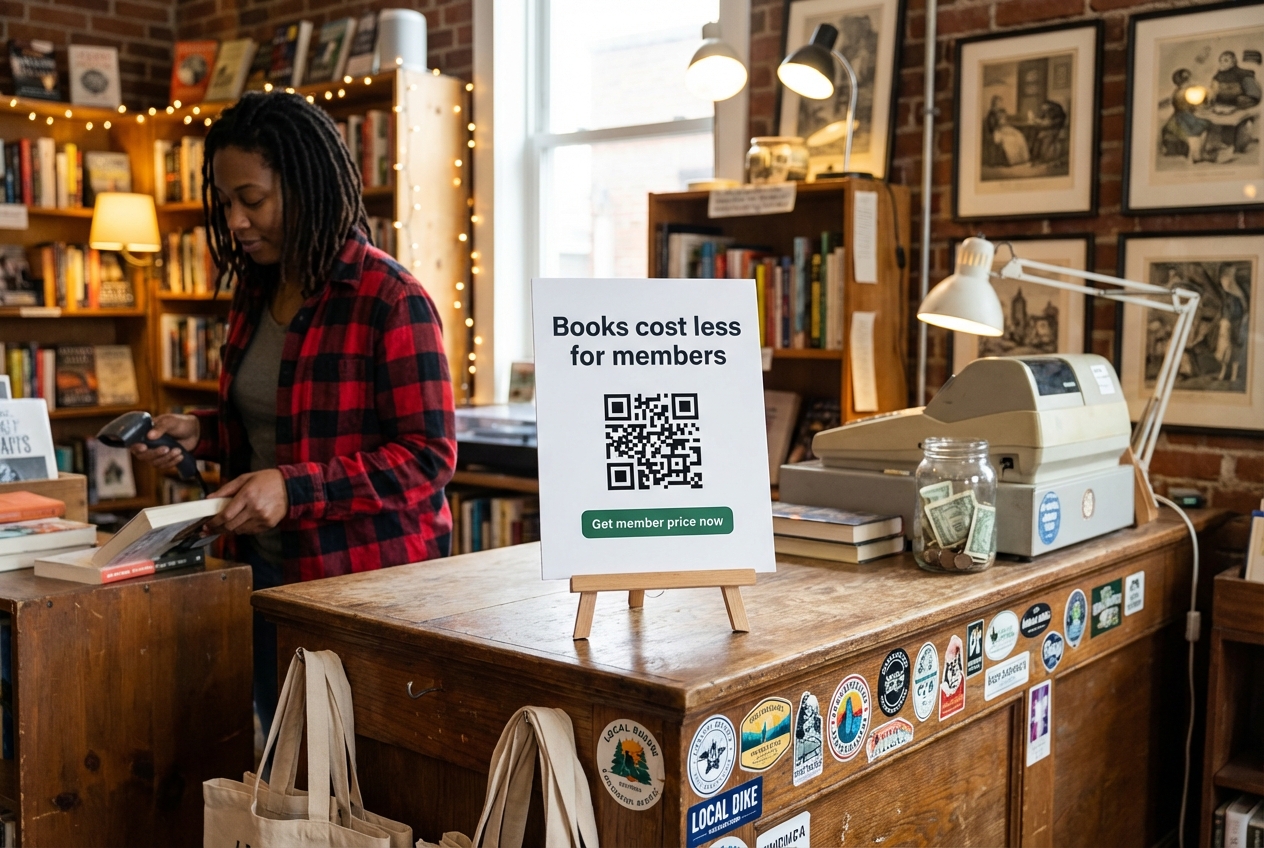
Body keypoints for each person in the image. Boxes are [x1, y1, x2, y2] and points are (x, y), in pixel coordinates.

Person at [129, 92, 457, 734]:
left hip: (361, 587)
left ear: (307, 186)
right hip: (260, 574)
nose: (237, 221)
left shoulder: (391, 298)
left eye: (252, 200)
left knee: (360, 787)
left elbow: (428, 458)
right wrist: (202, 431)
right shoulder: (255, 290)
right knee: (286, 765)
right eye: (226, 202)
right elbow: (278, 425)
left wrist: (294, 488)